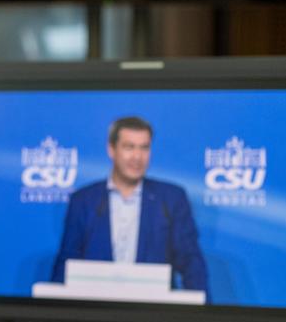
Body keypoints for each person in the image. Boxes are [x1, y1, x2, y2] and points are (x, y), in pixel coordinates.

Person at [51, 116, 208, 294]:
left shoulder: (172, 198)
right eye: (129, 147)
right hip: (95, 303)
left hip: (152, 305)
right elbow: (67, 262)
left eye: (144, 148)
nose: (137, 157)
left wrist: (202, 307)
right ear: (111, 149)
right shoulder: (83, 200)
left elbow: (190, 261)